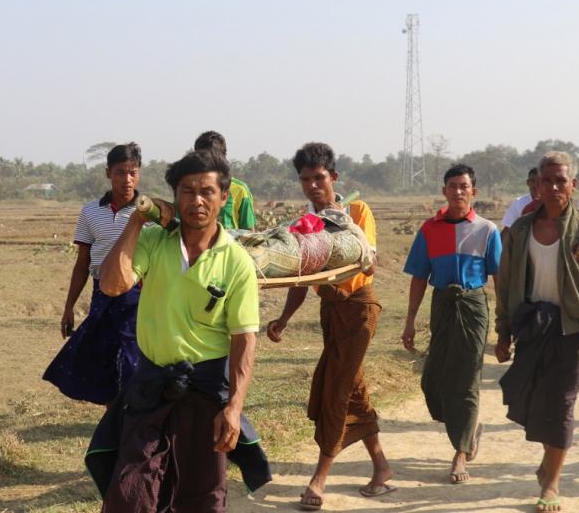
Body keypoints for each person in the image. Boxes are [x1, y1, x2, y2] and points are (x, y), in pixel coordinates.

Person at [88, 151, 260, 512]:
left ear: (223, 198)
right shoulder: (153, 242)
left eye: (207, 192)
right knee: (130, 494)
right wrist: (137, 219)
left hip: (206, 397)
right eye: (187, 191)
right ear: (174, 196)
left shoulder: (236, 262)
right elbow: (112, 285)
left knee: (199, 499)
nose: (197, 200)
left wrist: (234, 406)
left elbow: (244, 338)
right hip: (151, 390)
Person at [266, 142, 393, 510]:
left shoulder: (356, 210)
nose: (312, 186)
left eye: (319, 178)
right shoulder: (304, 224)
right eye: (305, 180)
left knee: (335, 389)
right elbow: (301, 279)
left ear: (333, 177)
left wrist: (340, 221)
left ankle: (318, 480)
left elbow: (367, 264)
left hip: (359, 310)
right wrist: (284, 319)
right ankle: (382, 468)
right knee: (353, 388)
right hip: (330, 311)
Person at [495, 151, 579, 512]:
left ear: (573, 185)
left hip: (571, 329)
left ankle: (552, 482)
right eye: (546, 180)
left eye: (560, 180)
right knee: (532, 400)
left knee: (562, 404)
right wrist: (503, 331)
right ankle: (548, 463)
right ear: (536, 185)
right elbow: (505, 285)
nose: (553, 187)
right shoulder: (520, 230)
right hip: (531, 326)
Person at [401, 164, 501, 484]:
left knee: (467, 377)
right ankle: (467, 430)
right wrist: (410, 320)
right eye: (452, 186)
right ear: (444, 191)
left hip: (473, 305)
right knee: (434, 378)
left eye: (464, 186)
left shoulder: (487, 230)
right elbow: (419, 276)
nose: (458, 191)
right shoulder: (429, 229)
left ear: (474, 192)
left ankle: (460, 452)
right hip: (441, 303)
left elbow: (500, 277)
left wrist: (506, 321)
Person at [43, 143, 143, 404]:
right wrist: (69, 307)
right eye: (121, 172)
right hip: (102, 292)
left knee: (133, 354)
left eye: (133, 172)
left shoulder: (148, 214)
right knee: (102, 354)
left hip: (139, 293)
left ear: (139, 174)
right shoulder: (90, 212)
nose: (127, 179)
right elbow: (82, 262)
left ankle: (132, 412)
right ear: (108, 173)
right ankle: (114, 412)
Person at [194, 130, 256, 231]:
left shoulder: (240, 190)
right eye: (202, 158)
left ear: (223, 158)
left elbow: (249, 231)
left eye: (212, 159)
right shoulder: (187, 189)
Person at [501, 167, 539, 234]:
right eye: (533, 181)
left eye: (539, 181)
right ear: (528, 183)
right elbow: (508, 229)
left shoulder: (552, 203)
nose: (536, 185)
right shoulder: (518, 203)